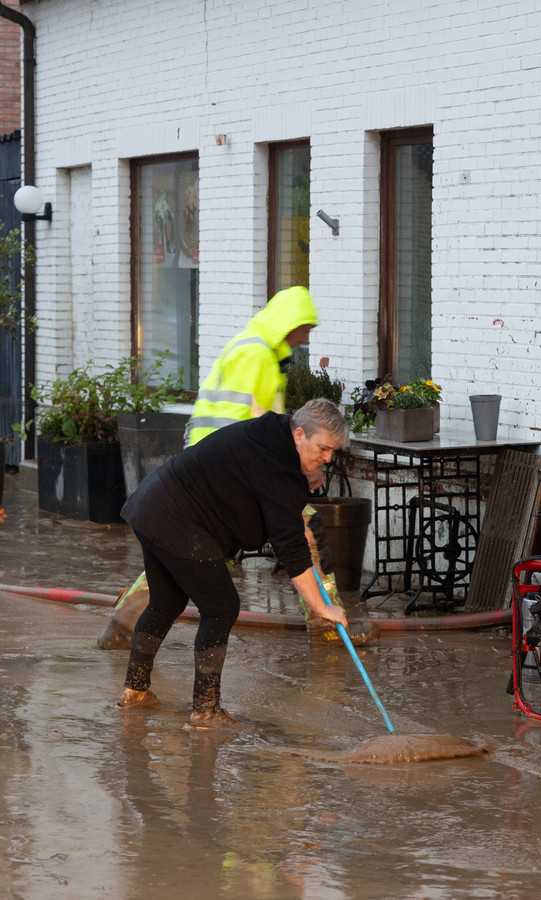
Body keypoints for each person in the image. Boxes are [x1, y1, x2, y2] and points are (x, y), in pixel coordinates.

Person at [97, 286, 377, 649]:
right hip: (224, 468)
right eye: (304, 329)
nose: (304, 337)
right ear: (288, 325)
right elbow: (256, 423)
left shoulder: (251, 346)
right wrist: (294, 469)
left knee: (187, 552)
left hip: (211, 463)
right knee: (301, 534)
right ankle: (327, 626)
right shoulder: (257, 355)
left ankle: (123, 623)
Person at [116, 399, 351, 728]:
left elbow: (262, 483)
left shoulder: (271, 435)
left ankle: (135, 692)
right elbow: (292, 549)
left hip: (152, 503)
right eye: (323, 449)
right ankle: (205, 711)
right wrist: (322, 607)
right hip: (178, 518)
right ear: (299, 434)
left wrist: (302, 475)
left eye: (332, 452)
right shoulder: (279, 467)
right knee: (222, 607)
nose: (327, 458)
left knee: (166, 601)